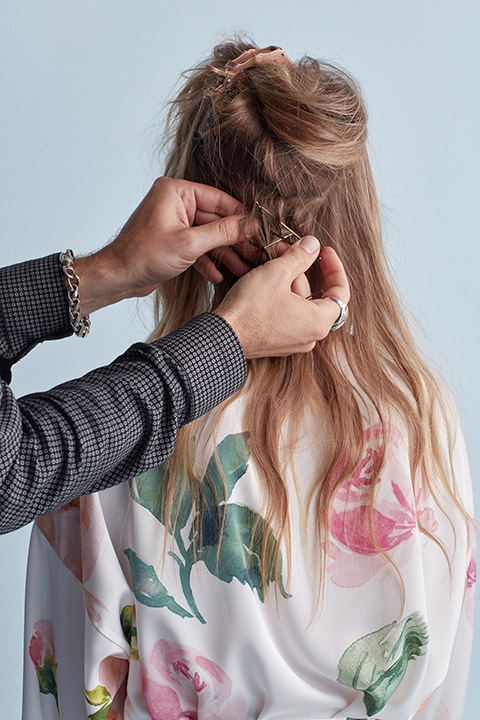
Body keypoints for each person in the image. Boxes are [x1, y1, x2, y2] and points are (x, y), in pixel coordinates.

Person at [23, 42, 475, 720]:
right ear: (356, 220)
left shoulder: (108, 442)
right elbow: (441, 680)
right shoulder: (424, 419)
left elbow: (71, 696)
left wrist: (106, 267)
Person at [0, 176, 345, 534]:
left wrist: (114, 269)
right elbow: (9, 475)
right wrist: (228, 339)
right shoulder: (403, 439)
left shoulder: (95, 495)